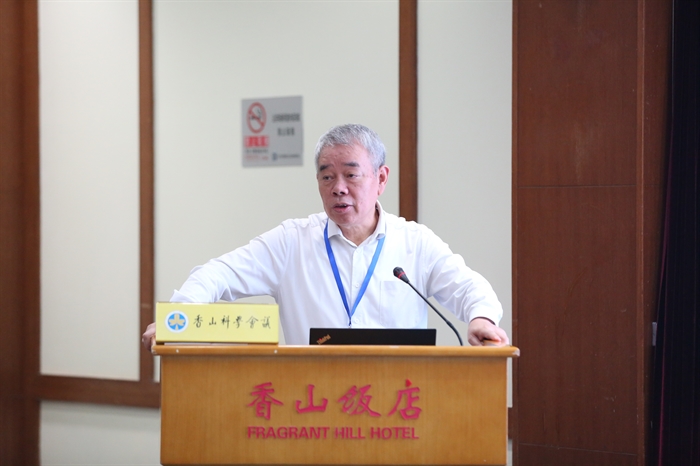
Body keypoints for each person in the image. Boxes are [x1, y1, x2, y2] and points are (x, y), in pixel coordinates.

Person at [142, 124, 509, 348]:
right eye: (327, 176)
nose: (338, 188)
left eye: (351, 175)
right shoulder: (292, 242)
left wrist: (482, 319)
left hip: (398, 409)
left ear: (381, 179)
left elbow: (469, 288)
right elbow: (218, 274)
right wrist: (179, 317)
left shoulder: (415, 243)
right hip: (313, 410)